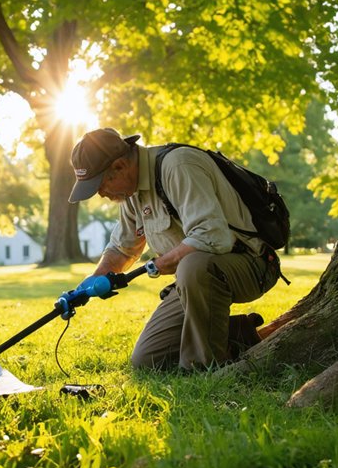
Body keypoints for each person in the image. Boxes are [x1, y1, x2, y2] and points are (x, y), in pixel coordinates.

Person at [68, 127, 282, 370]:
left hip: (251, 264)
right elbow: (122, 248)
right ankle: (241, 335)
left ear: (119, 166)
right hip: (194, 279)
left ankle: (206, 369)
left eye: (100, 185)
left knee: (193, 265)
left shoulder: (178, 166)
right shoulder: (130, 193)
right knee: (148, 361)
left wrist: (158, 265)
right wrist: (87, 286)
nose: (101, 194)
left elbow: (213, 236)